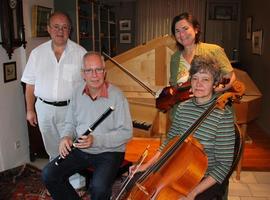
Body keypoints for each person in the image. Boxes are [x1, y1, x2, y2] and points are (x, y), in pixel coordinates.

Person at [133, 55, 235, 200]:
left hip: (205, 178)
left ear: (215, 83)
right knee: (137, 180)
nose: (198, 84)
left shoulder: (223, 116)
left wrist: (192, 193)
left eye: (205, 79)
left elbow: (224, 165)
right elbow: (169, 143)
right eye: (195, 78)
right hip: (175, 168)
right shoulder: (182, 108)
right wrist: (147, 165)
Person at [41, 52, 133, 200]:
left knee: (99, 188)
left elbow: (126, 133)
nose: (94, 75)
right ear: (83, 74)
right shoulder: (77, 92)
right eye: (89, 70)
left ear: (105, 72)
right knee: (49, 174)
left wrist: (96, 140)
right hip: (81, 148)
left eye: (98, 70)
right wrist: (66, 136)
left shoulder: (117, 96)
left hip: (110, 152)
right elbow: (70, 122)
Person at [21, 11, 87, 161]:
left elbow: (87, 86)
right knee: (52, 149)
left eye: (64, 27)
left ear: (69, 30)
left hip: (71, 110)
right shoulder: (37, 54)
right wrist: (30, 110)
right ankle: (56, 179)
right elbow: (29, 84)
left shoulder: (81, 53)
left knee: (72, 147)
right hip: (44, 110)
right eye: (56, 27)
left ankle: (75, 183)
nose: (60, 31)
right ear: (49, 29)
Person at [169, 12, 236, 118]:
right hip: (184, 114)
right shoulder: (175, 58)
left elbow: (230, 78)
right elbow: (174, 85)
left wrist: (208, 91)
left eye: (185, 28)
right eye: (177, 31)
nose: (181, 34)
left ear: (196, 29)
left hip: (211, 113)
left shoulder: (214, 50)